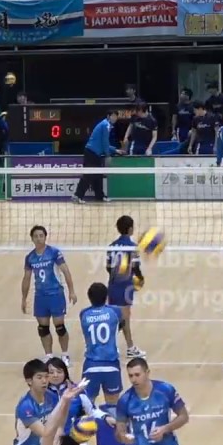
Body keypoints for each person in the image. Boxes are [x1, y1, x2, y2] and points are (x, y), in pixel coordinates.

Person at [22, 225, 77, 363]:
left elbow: (66, 271)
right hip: (40, 297)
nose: (39, 238)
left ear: (45, 237)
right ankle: (49, 356)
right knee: (43, 329)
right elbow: (26, 278)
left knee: (60, 326)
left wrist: (71, 291)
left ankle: (65, 355)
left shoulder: (54, 253)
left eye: (41, 235)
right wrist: (24, 298)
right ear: (32, 239)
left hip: (55, 294)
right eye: (36, 236)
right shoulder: (30, 257)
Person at [106, 215, 146, 358]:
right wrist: (140, 278)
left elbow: (108, 268)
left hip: (112, 286)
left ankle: (125, 346)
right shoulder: (132, 247)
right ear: (130, 229)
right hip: (125, 287)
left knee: (118, 317)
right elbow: (135, 267)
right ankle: (127, 347)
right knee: (123, 319)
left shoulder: (111, 247)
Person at [79, 282, 124, 404]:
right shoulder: (115, 311)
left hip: (91, 364)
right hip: (111, 364)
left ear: (89, 297)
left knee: (87, 407)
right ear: (106, 296)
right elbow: (120, 325)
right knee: (113, 407)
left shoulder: (83, 314)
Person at [74, 110, 122, 203]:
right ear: (108, 116)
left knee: (98, 175)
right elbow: (105, 142)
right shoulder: (105, 125)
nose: (115, 118)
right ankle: (77, 196)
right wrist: (108, 155)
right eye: (113, 116)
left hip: (94, 153)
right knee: (89, 175)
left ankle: (100, 196)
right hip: (91, 153)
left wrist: (115, 150)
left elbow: (105, 144)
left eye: (116, 116)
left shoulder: (105, 125)